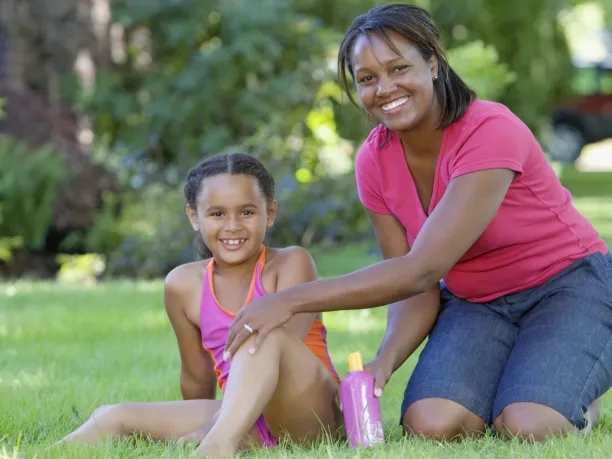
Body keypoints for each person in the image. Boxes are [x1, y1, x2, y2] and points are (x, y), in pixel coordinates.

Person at [223, 4, 612, 443]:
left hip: (569, 286)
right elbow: (415, 288)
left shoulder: (490, 130)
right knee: (430, 423)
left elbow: (423, 267)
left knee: (528, 424)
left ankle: (573, 392)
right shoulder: (374, 159)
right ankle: (528, 374)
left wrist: (293, 300)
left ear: (432, 62)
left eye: (398, 68)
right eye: (367, 79)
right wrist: (383, 363)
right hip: (478, 302)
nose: (385, 88)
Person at [58, 153, 342, 457]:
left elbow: (284, 347)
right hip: (243, 420)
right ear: (194, 217)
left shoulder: (291, 263)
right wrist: (196, 422)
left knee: (261, 334)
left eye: (246, 212)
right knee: (112, 417)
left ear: (269, 213)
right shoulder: (182, 285)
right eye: (217, 214)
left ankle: (215, 447)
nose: (232, 226)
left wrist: (210, 430)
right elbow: (196, 377)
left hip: (311, 416)